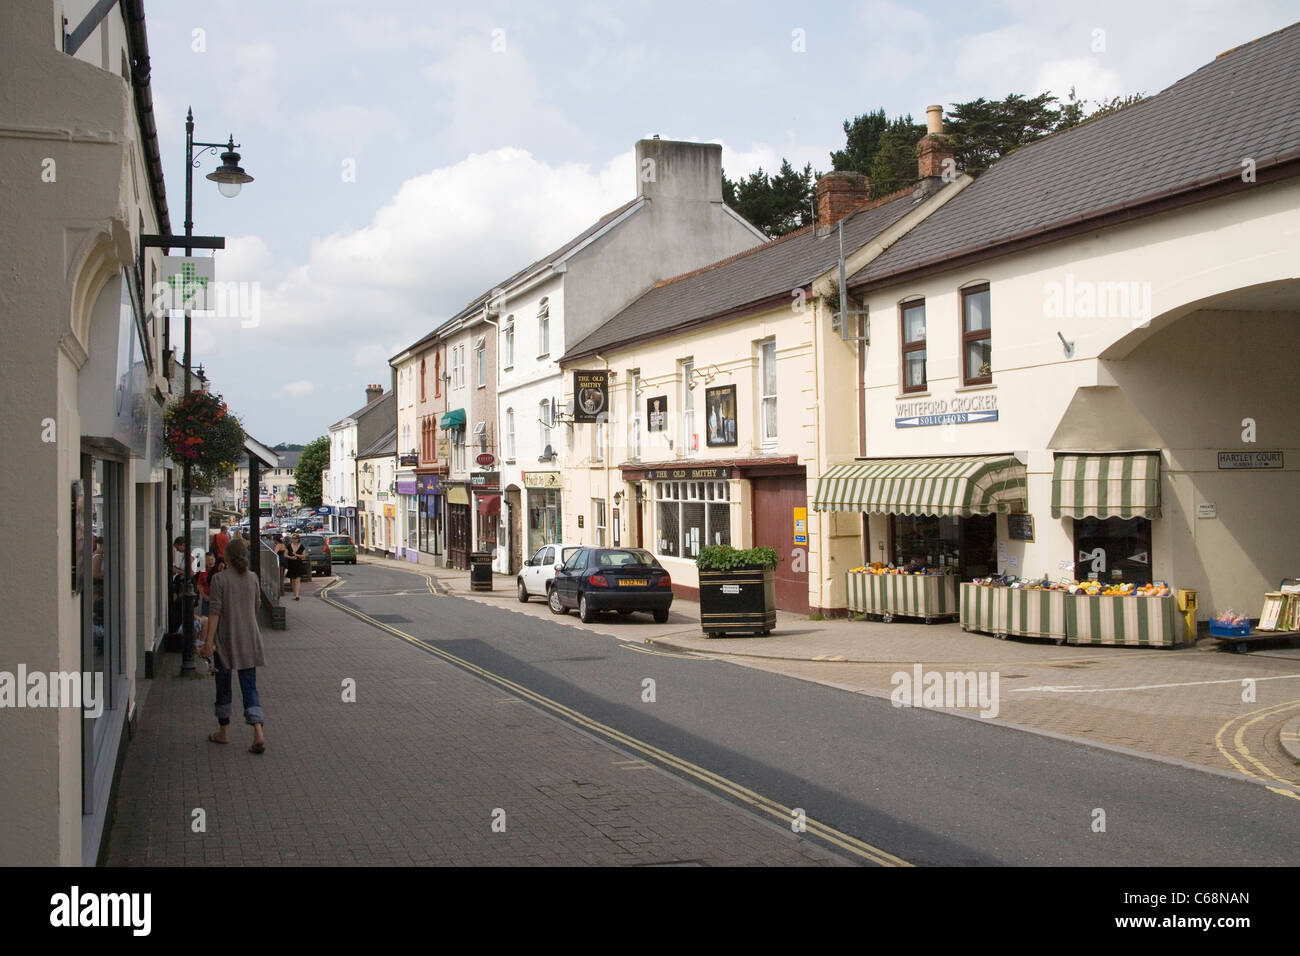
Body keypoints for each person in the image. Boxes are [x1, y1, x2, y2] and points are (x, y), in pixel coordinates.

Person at [199, 537, 266, 753]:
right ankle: (258, 731)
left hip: (225, 640)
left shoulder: (219, 579)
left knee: (223, 686)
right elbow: (256, 607)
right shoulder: (253, 578)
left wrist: (208, 642)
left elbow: (215, 612)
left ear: (225, 557)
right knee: (249, 686)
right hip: (249, 638)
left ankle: (224, 732)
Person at [284, 533, 308, 601]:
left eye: (295, 538)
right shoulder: (289, 546)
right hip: (291, 565)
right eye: (293, 538)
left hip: (299, 565)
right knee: (293, 581)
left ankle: (297, 596)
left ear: (298, 539)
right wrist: (291, 557)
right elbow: (285, 555)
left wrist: (296, 555)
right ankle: (295, 595)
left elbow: (304, 556)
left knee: (297, 580)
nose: (294, 540)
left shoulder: (301, 546)